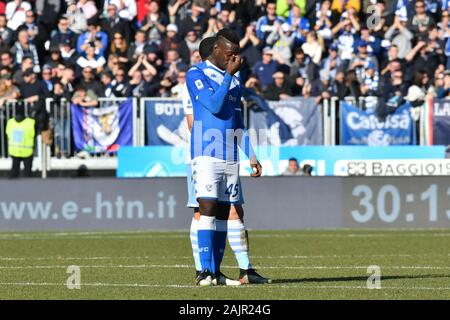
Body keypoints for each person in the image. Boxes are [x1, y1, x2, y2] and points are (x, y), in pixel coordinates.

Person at [184, 36, 271, 286]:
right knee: (207, 208)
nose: (235, 59)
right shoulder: (196, 73)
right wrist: (228, 76)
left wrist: (251, 155)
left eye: (237, 54)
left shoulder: (233, 80)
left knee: (226, 210)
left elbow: (237, 122)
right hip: (205, 151)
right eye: (231, 53)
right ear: (217, 49)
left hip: (230, 155)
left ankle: (218, 273)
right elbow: (212, 104)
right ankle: (204, 272)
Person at [6, 102, 35, 178]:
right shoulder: (31, 122)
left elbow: (7, 133)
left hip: (14, 151)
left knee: (14, 174)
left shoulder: (10, 122)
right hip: (27, 151)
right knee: (28, 175)